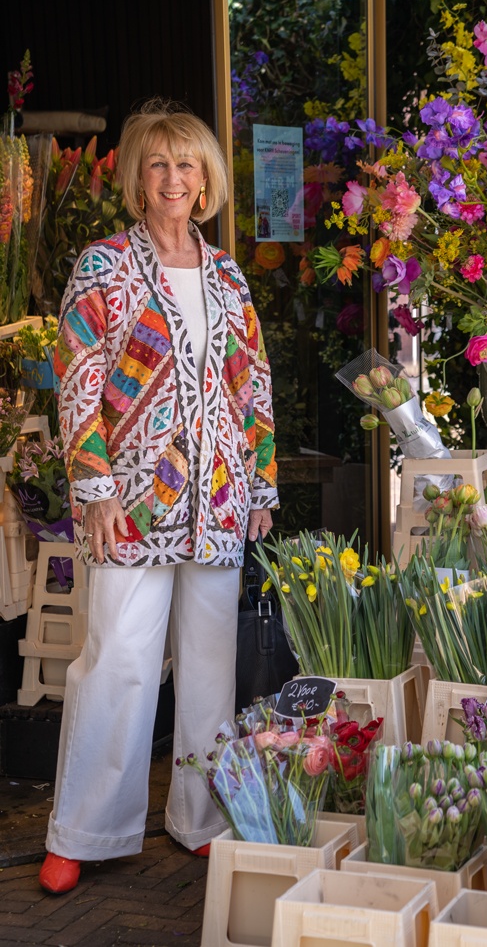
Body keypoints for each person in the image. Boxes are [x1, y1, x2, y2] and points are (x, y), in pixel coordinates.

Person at [39, 99, 278, 894]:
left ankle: (202, 818)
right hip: (130, 503)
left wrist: (262, 482)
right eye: (158, 164)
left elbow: (252, 383)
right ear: (140, 180)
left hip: (216, 497)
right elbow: (76, 379)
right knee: (117, 661)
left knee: (211, 666)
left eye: (188, 165)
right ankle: (83, 830)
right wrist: (94, 484)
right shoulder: (104, 265)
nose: (174, 179)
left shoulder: (227, 274)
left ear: (205, 181)